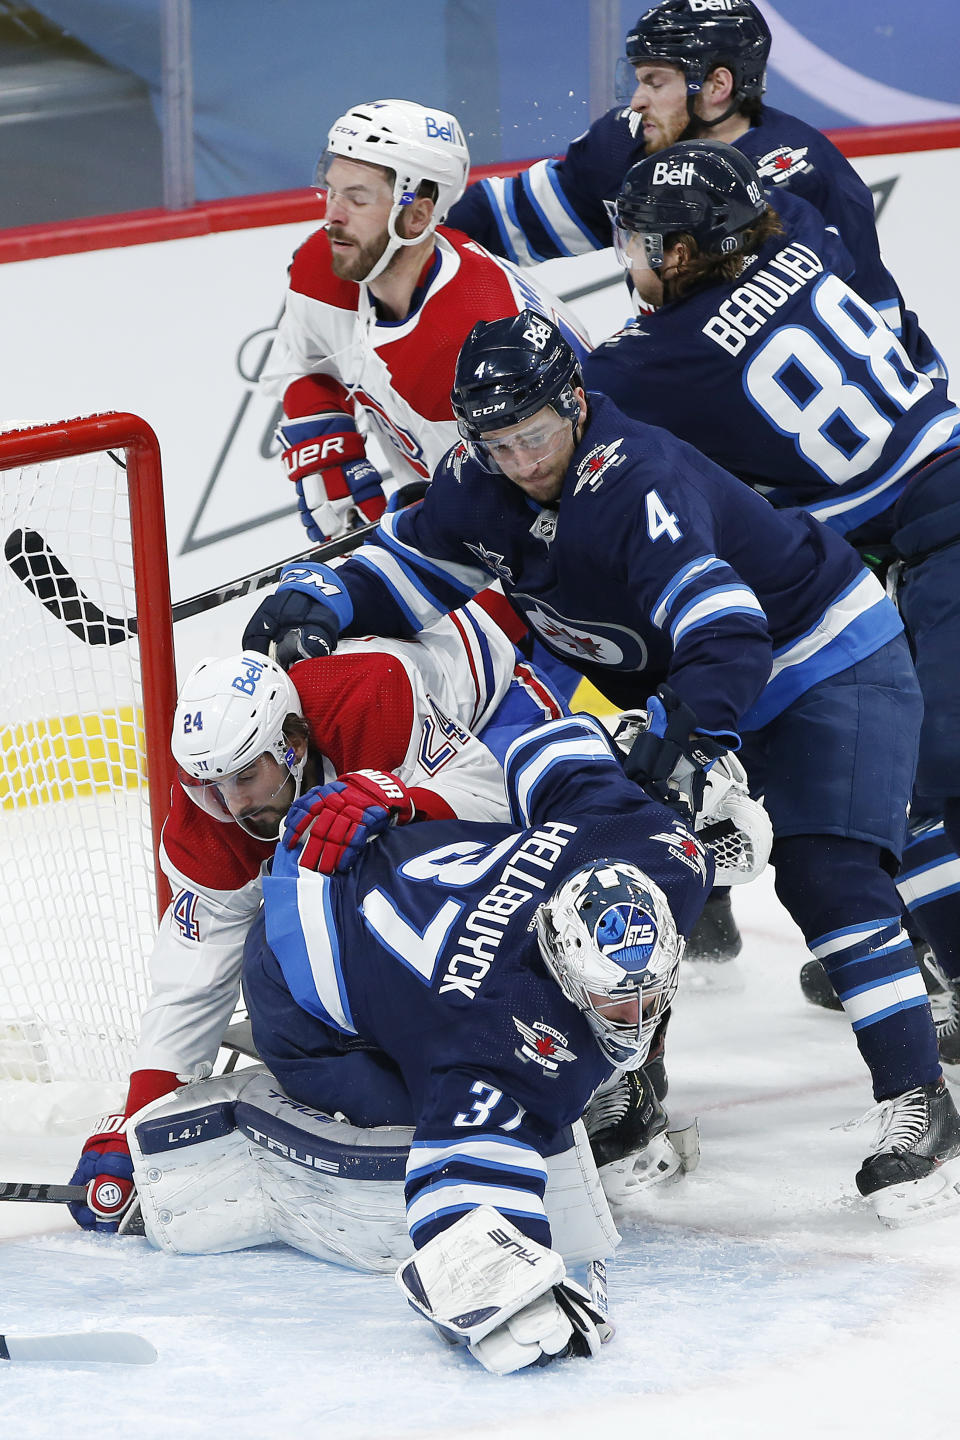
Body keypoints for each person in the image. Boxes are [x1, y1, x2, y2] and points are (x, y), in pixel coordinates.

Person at [242, 309, 960, 1226]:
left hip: (816, 656)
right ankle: (630, 1089)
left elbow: (726, 629)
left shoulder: (638, 480)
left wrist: (690, 744)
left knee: (829, 875)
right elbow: (415, 569)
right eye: (496, 442)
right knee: (614, 866)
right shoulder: (484, 476)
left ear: (575, 403)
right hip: (678, 680)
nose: (520, 459)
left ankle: (917, 1099)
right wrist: (321, 599)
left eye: (534, 434)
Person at [582, 139, 960, 1038]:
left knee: (916, 778)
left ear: (676, 253)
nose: (624, 258)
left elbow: (561, 420)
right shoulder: (805, 249)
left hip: (937, 541)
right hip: (930, 510)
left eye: (634, 241)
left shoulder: (654, 358)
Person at [66, 604, 566, 1233]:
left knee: (440, 866)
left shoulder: (370, 698)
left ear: (293, 743)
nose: (233, 804)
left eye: (246, 776)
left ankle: (606, 1066)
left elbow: (508, 813)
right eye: (211, 785)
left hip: (496, 711)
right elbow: (189, 989)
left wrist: (403, 798)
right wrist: (135, 1128)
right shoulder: (207, 825)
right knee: (272, 952)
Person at [241, 712, 714, 1372]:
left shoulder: (662, 852)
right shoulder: (492, 1030)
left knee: (544, 1090)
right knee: (418, 1109)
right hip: (297, 979)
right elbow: (459, 1165)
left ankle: (586, 1089)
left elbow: (549, 745)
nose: (633, 1017)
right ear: (565, 963)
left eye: (647, 993)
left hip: (395, 864)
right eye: (612, 998)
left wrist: (694, 794)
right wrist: (501, 1285)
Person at [446, 0, 944, 380]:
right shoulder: (629, 147)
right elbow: (499, 220)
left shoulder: (793, 180)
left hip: (834, 416)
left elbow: (866, 346)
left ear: (716, 86)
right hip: (703, 399)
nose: (638, 100)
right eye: (637, 80)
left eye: (656, 82)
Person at [261, 96, 590, 544]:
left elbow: (530, 531)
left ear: (416, 217)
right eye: (332, 190)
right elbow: (302, 360)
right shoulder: (327, 264)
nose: (332, 215)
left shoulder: (466, 352)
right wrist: (318, 419)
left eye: (356, 199)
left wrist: (424, 533)